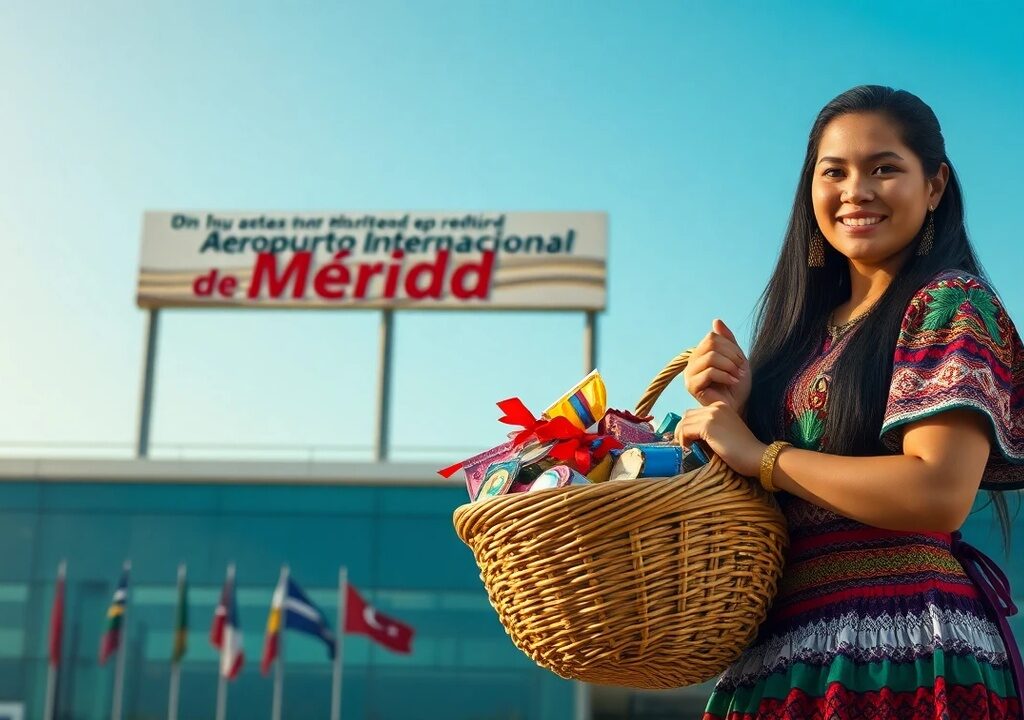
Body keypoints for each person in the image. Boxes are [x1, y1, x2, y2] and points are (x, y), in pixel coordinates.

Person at [675, 85, 1024, 719]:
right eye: (833, 172)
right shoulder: (800, 335)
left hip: (903, 654)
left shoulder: (949, 301)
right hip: (780, 655)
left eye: (884, 168)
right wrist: (733, 407)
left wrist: (761, 453)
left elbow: (938, 492)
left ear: (935, 186)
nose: (855, 191)